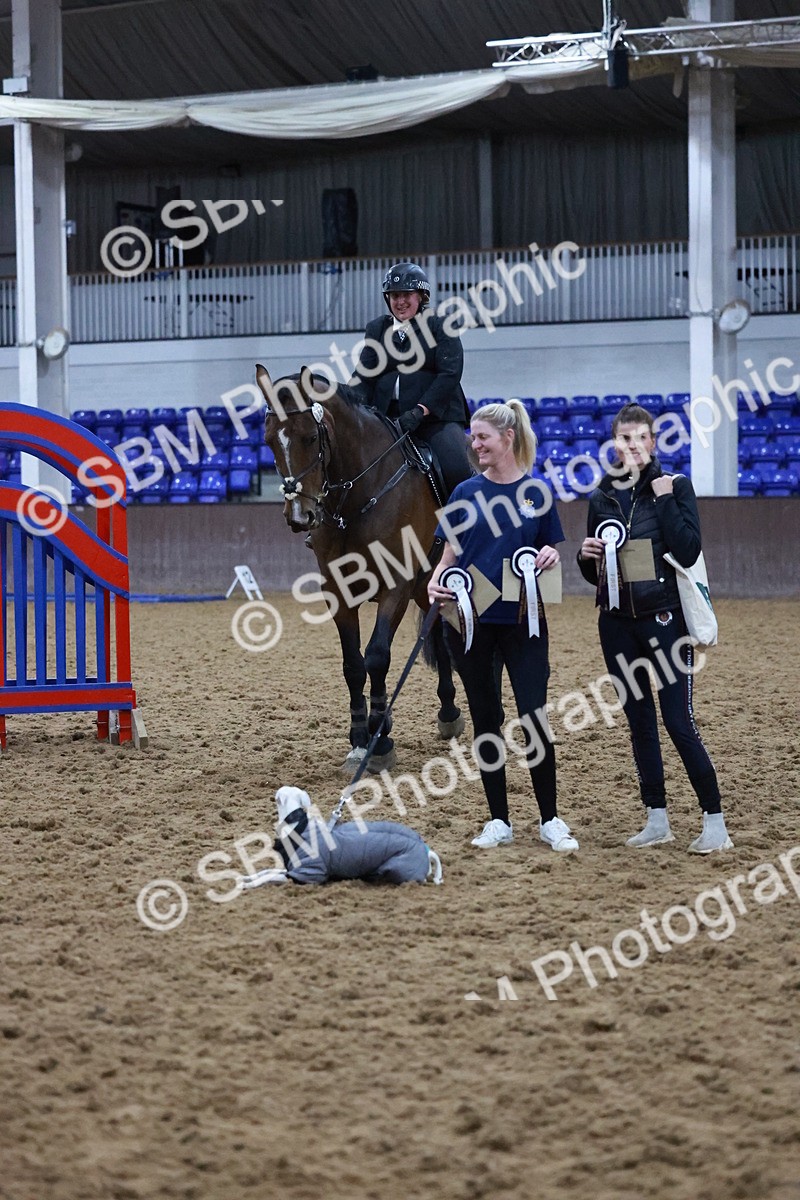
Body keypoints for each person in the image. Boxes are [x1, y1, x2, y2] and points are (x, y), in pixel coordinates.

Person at [578, 402, 733, 854]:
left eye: (639, 437)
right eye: (623, 438)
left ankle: (715, 822)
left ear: (652, 441)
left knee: (678, 721)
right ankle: (657, 818)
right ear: (614, 442)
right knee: (639, 722)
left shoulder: (676, 487)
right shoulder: (601, 496)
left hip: (666, 620)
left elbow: (687, 552)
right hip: (616, 624)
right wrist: (586, 558)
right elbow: (596, 575)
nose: (631, 446)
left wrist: (664, 498)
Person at [427, 400, 580, 853]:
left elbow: (548, 550)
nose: (475, 446)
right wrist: (437, 580)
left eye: (482, 438)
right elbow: (448, 555)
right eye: (473, 439)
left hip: (523, 623)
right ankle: (499, 819)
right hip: (471, 625)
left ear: (507, 438)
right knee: (485, 721)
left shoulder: (537, 492)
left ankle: (550, 818)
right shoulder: (463, 493)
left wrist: (551, 555)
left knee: (534, 717)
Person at [348, 261, 472, 496]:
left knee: (456, 469)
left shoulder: (440, 325)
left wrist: (420, 410)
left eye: (406, 294)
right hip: (387, 419)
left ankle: (463, 522)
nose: (400, 301)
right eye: (394, 295)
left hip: (435, 419)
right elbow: (364, 376)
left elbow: (450, 374)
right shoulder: (377, 329)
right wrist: (345, 402)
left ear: (421, 296)